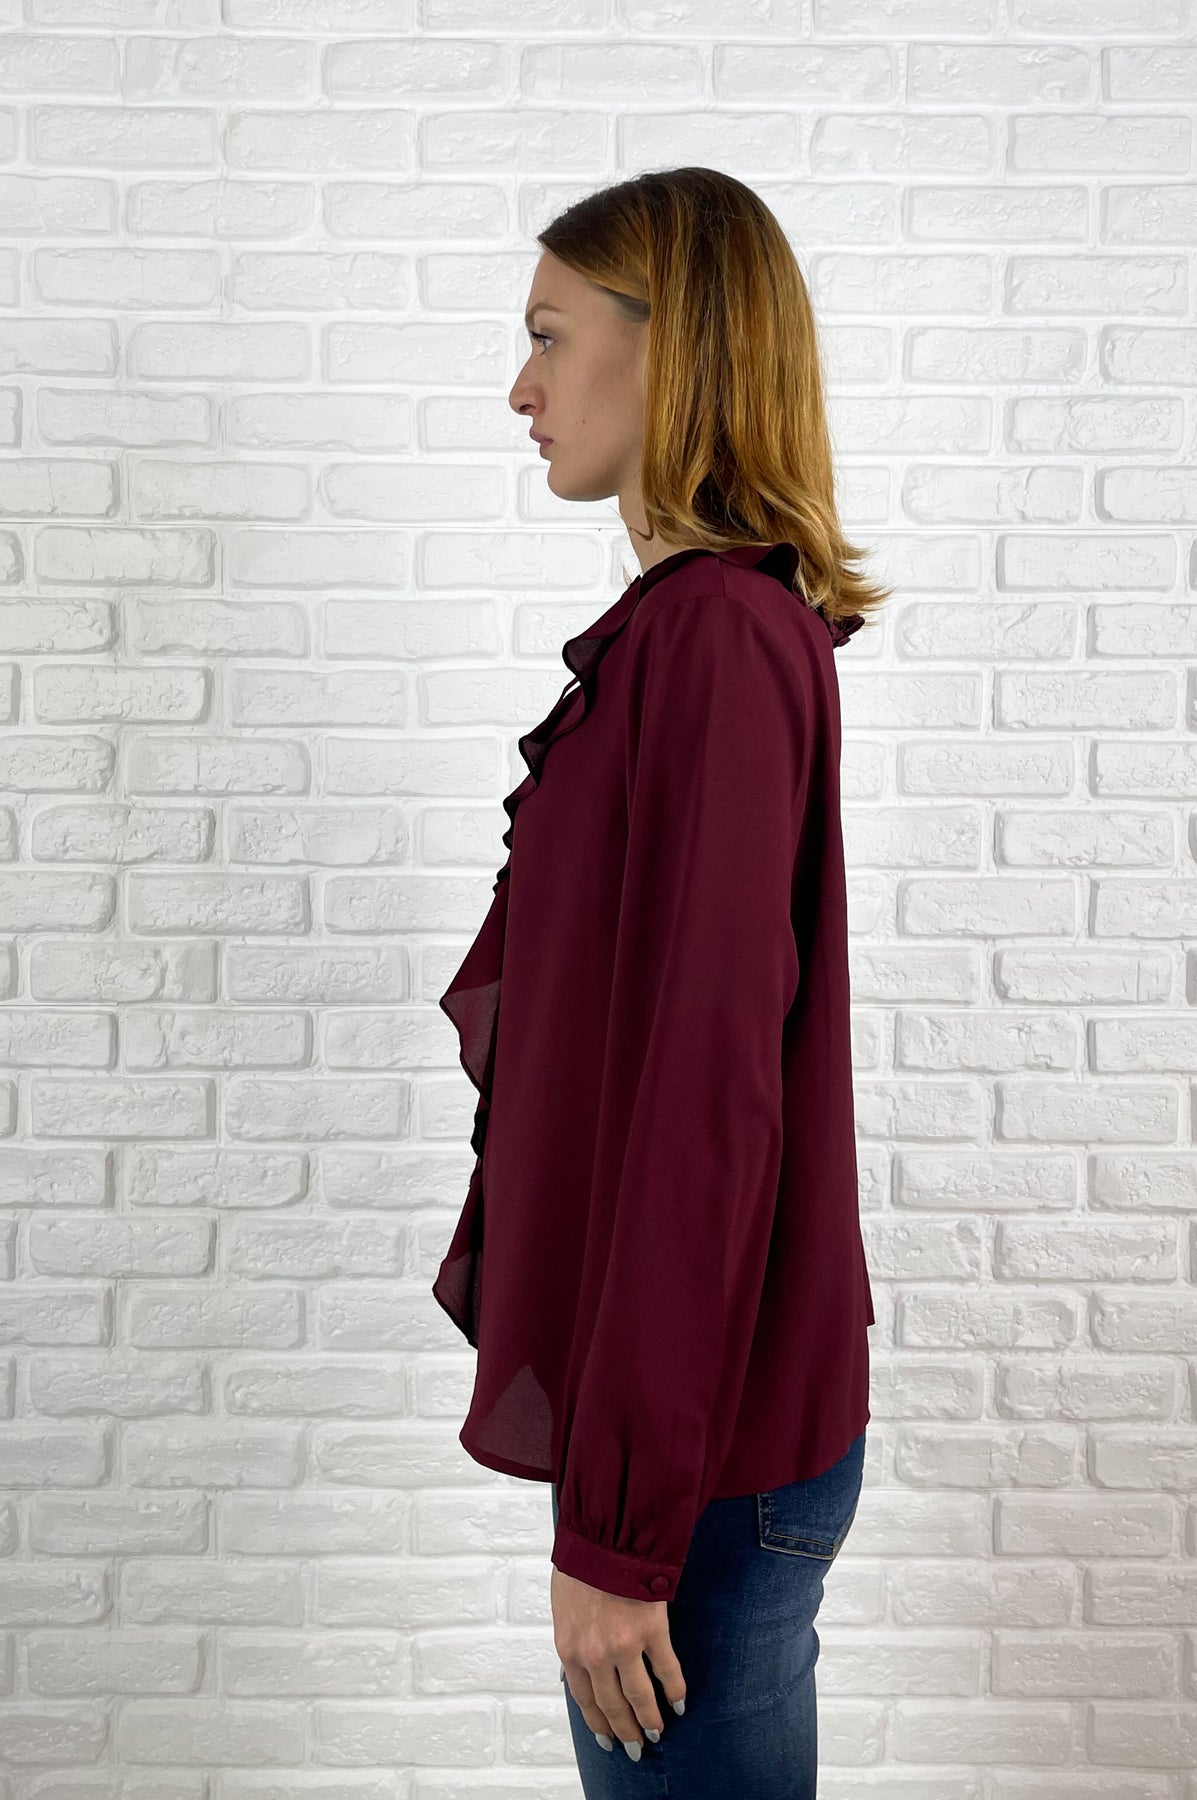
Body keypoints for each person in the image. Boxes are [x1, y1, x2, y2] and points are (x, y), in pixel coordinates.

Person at [432, 166, 889, 1798]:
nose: (522, 387)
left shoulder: (712, 640)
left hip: (697, 1472)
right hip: (701, 1441)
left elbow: (703, 1101)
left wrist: (623, 1533)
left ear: (672, 344)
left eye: (550, 335)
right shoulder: (706, 631)